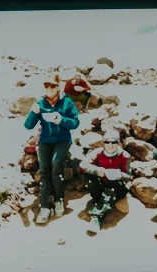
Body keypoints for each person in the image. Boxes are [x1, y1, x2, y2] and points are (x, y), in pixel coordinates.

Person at [23, 74, 81, 224]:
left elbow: (75, 122)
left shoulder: (66, 102)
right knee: (44, 170)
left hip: (62, 140)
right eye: (46, 86)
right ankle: (45, 206)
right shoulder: (40, 103)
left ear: (58, 86)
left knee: (56, 165)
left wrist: (61, 120)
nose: (49, 89)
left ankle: (58, 199)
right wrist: (33, 112)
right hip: (45, 141)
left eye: (53, 86)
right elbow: (28, 125)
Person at [78, 132, 131, 235]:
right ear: (104, 143)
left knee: (111, 191)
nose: (110, 145)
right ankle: (98, 199)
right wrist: (97, 170)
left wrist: (119, 175)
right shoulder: (97, 152)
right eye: (107, 142)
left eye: (114, 142)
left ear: (118, 143)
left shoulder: (124, 156)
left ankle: (96, 217)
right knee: (90, 176)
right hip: (101, 182)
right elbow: (83, 164)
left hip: (117, 186)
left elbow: (128, 176)